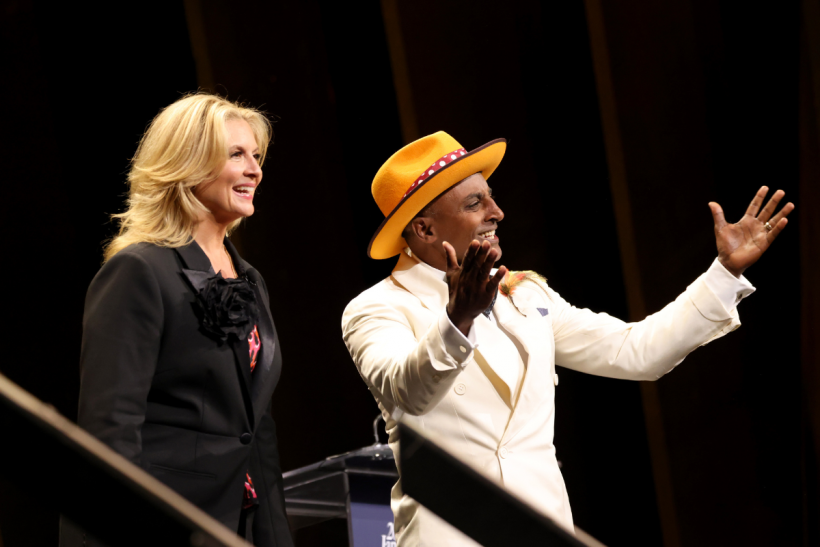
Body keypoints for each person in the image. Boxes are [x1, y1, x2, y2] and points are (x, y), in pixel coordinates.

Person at [341, 131, 794, 546]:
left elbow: (634, 351)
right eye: (474, 203)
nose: (496, 213)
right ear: (424, 229)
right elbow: (407, 393)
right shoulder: (376, 308)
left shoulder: (524, 293)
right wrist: (457, 319)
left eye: (491, 199)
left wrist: (725, 273)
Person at [61, 93, 293, 546]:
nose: (254, 170)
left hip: (238, 525)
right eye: (236, 155)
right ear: (188, 164)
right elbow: (111, 429)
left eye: (257, 156)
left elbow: (257, 430)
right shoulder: (140, 271)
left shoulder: (250, 280)